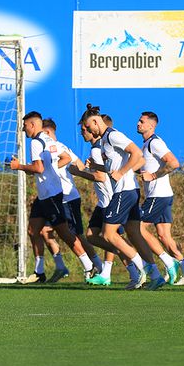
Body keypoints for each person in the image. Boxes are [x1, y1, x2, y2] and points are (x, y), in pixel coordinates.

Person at [78, 104, 168, 290]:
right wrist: (98, 168)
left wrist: (122, 172)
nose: (88, 130)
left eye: (88, 127)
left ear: (96, 121)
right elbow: (113, 167)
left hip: (124, 191)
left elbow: (137, 154)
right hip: (129, 190)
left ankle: (143, 270)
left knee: (108, 234)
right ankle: (157, 276)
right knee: (134, 234)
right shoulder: (104, 140)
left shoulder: (113, 135)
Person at [10, 110, 96, 283]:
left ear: (33, 125)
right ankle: (39, 272)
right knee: (33, 230)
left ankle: (89, 265)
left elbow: (39, 168)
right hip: (45, 195)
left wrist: (19, 166)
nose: (23, 129)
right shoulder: (49, 140)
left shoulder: (36, 142)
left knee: (64, 232)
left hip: (51, 195)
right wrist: (51, 169)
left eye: (25, 126)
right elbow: (64, 157)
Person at [136, 111, 184, 285]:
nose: (138, 124)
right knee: (164, 236)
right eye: (138, 121)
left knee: (138, 229)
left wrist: (154, 176)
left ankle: (168, 263)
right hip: (164, 195)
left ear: (151, 126)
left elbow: (174, 163)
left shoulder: (154, 142)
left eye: (142, 121)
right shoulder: (146, 144)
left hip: (158, 196)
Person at [39, 118, 101, 283]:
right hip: (54, 197)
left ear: (47, 132)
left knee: (77, 235)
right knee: (45, 231)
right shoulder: (49, 148)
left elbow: (79, 166)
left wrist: (94, 174)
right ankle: (61, 266)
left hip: (68, 197)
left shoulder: (58, 147)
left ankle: (97, 267)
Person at [68, 118, 119, 286]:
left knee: (110, 238)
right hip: (103, 201)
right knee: (91, 236)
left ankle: (127, 264)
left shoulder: (98, 150)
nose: (82, 132)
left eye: (85, 129)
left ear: (93, 129)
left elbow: (100, 177)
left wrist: (79, 172)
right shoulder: (97, 149)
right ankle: (110, 269)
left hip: (110, 201)